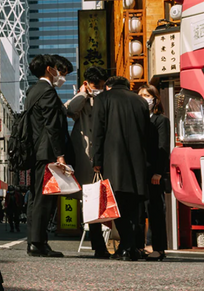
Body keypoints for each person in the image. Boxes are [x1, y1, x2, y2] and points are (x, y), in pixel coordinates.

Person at [92, 75, 150, 261]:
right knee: (133, 206)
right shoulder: (140, 101)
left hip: (112, 161)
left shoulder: (102, 99)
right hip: (137, 162)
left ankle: (125, 247)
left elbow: (98, 132)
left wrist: (97, 161)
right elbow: (146, 133)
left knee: (116, 205)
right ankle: (130, 247)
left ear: (108, 86)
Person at [24, 54, 72, 257]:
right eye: (58, 71)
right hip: (47, 152)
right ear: (49, 69)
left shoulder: (33, 91)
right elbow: (53, 126)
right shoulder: (48, 93)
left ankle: (34, 241)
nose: (60, 75)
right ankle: (38, 243)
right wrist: (60, 156)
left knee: (36, 197)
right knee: (45, 198)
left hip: (36, 150)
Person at [65, 66, 111, 259]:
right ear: (87, 84)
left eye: (100, 85)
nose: (97, 89)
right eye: (94, 86)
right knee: (91, 200)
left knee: (109, 197)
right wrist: (83, 94)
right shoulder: (83, 100)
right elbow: (68, 110)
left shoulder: (108, 99)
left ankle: (114, 240)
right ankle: (99, 245)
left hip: (106, 155)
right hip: (85, 156)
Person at [138, 84, 170, 261]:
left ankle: (159, 248)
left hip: (154, 173)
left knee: (156, 210)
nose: (144, 98)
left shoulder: (160, 120)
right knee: (140, 211)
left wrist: (159, 172)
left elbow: (163, 147)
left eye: (147, 95)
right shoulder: (137, 119)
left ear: (155, 99)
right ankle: (139, 246)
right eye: (141, 95)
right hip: (139, 171)